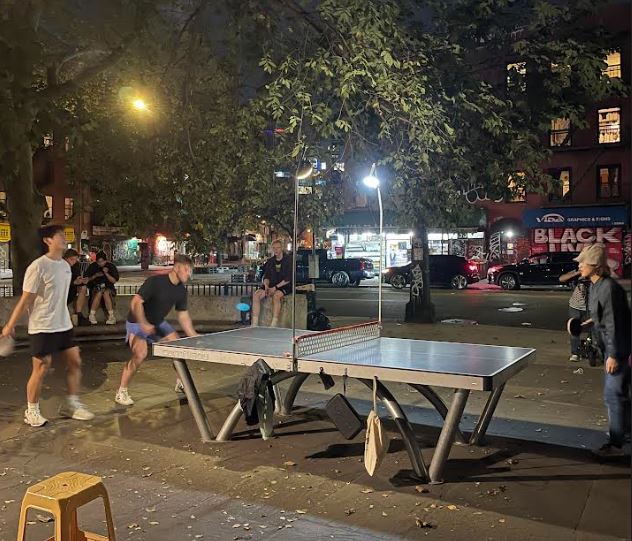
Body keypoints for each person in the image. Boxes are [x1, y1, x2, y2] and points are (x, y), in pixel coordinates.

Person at [1, 225, 94, 427]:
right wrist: (9, 326)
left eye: (63, 235)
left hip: (63, 324)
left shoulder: (65, 267)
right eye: (59, 236)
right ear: (48, 241)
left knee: (75, 362)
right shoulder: (38, 267)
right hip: (42, 325)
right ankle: (32, 410)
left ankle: (70, 404)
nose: (63, 238)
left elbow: (61, 298)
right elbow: (26, 300)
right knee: (42, 367)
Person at [115, 254, 198, 406]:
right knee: (140, 354)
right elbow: (136, 303)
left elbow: (183, 315)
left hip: (157, 322)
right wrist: (144, 324)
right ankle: (122, 391)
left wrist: (193, 335)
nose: (189, 274)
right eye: (187, 270)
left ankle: (181, 381)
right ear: (177, 268)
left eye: (190, 271)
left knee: (177, 345)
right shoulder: (155, 282)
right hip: (136, 321)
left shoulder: (181, 291)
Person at [576, 244, 631, 458]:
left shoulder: (608, 288)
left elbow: (614, 323)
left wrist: (614, 355)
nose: (579, 265)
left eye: (583, 262)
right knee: (620, 395)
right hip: (612, 346)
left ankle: (616, 445)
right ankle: (625, 433)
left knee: (613, 396)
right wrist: (584, 325)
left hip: (619, 348)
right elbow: (601, 317)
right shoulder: (595, 284)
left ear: (596, 266)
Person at [251, 240, 292, 327]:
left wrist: (275, 288)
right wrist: (266, 286)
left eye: (278, 248)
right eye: (274, 248)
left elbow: (288, 279)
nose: (276, 250)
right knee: (256, 295)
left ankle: (274, 323)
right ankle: (254, 323)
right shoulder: (270, 261)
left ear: (282, 248)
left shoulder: (288, 260)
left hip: (283, 285)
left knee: (276, 296)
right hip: (271, 285)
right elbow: (266, 276)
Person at [559, 267, 590, 362]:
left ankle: (593, 350)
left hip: (592, 304)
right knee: (574, 328)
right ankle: (575, 353)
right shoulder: (578, 270)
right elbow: (562, 278)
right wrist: (577, 273)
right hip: (576, 305)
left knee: (594, 328)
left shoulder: (595, 270)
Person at [84, 251, 119, 325]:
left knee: (106, 292)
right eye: (98, 262)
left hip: (108, 288)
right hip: (96, 287)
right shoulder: (93, 266)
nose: (100, 263)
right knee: (99, 292)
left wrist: (106, 273)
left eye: (102, 261)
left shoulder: (111, 266)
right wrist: (95, 276)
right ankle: (92, 315)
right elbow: (86, 279)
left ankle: (111, 316)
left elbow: (114, 280)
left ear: (105, 261)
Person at [63, 248, 89, 326]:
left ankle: (79, 313)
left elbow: (76, 276)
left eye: (75, 259)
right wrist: (73, 282)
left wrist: (81, 280)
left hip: (72, 288)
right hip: (63, 291)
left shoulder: (75, 265)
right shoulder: (60, 266)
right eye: (72, 259)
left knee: (83, 288)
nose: (73, 262)